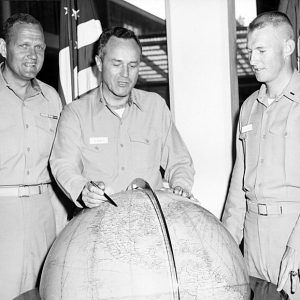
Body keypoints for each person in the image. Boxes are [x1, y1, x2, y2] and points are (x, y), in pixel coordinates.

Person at [50, 26, 194, 210]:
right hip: (98, 224)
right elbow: (63, 164)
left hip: (150, 221)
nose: (125, 74)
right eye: (117, 64)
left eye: (132, 65)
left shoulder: (155, 107)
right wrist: (83, 190)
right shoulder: (75, 113)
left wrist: (180, 186)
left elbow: (180, 161)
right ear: (99, 63)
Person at [222, 11, 300, 298]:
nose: (252, 60)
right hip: (253, 241)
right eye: (250, 51)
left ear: (288, 48)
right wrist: (226, 244)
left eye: (261, 50)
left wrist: (297, 247)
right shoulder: (248, 108)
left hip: (293, 235)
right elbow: (238, 185)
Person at [0, 13, 66, 299]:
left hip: (44, 214)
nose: (33, 54)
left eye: (39, 47)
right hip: (3, 214)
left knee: (43, 292)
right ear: (3, 48)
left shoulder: (52, 97)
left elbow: (58, 162)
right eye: (23, 45)